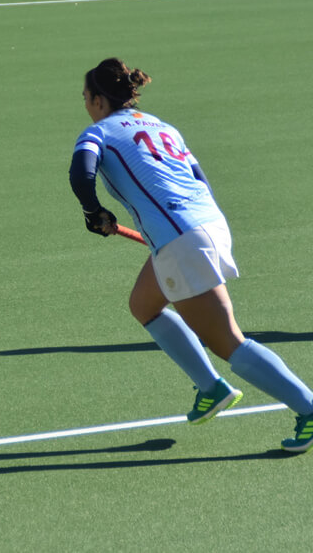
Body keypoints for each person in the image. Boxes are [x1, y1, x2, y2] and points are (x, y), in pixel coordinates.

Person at [69, 57, 313, 453]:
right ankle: (210, 387)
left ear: (99, 100)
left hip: (182, 239)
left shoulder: (98, 132)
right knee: (143, 305)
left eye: (85, 97)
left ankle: (308, 408)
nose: (84, 104)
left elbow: (82, 172)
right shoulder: (162, 126)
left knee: (228, 341)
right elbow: (197, 179)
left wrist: (92, 212)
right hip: (207, 223)